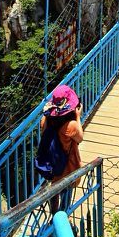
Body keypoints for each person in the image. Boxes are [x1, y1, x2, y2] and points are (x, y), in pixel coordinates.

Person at [38, 84, 83, 212]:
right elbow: (80, 138)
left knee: (55, 189)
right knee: (66, 196)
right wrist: (78, 116)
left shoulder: (45, 120)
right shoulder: (71, 126)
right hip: (68, 168)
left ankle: (53, 214)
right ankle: (61, 219)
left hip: (52, 164)